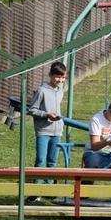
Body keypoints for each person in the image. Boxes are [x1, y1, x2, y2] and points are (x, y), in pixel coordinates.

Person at [26, 61, 66, 201]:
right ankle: (35, 190)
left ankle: (49, 188)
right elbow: (32, 110)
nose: (60, 80)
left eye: (62, 77)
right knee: (41, 160)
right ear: (50, 75)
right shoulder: (41, 91)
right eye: (57, 77)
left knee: (52, 161)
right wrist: (46, 115)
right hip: (43, 130)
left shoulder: (60, 91)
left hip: (57, 131)